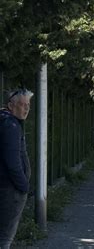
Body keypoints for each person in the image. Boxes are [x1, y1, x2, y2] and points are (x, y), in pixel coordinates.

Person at [0, 89, 33, 248]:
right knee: (5, 238)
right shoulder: (11, 125)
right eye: (22, 104)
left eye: (28, 105)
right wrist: (24, 186)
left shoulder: (7, 121)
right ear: (11, 106)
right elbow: (12, 161)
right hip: (10, 189)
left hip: (7, 186)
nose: (26, 108)